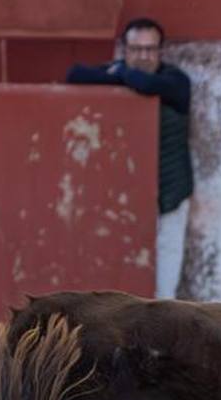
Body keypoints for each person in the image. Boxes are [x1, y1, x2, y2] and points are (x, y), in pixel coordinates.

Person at [67, 18, 194, 299]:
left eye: (150, 50)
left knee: (164, 286)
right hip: (121, 198)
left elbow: (146, 83)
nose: (144, 56)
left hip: (170, 194)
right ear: (124, 49)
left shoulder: (176, 83)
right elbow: (75, 75)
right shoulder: (118, 72)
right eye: (136, 50)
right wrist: (123, 75)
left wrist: (121, 74)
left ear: (160, 52)